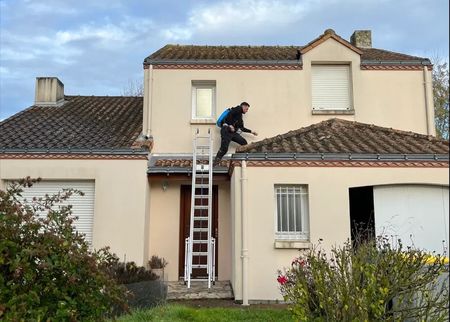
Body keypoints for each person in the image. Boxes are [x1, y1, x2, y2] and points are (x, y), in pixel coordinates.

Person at [213, 102, 258, 166]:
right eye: (246, 109)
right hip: (226, 130)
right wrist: (229, 125)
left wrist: (251, 132)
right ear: (243, 106)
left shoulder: (239, 116)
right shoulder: (238, 109)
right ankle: (215, 163)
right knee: (224, 149)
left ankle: (242, 159)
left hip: (232, 133)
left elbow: (242, 128)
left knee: (244, 142)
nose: (247, 111)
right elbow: (230, 115)